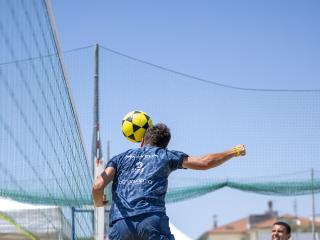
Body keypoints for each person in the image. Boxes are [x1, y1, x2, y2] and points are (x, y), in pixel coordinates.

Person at [92, 123, 246, 240]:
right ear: (165, 145)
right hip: (151, 220)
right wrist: (234, 151)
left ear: (142, 141)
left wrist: (99, 203)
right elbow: (204, 162)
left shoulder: (120, 158)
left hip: (121, 223)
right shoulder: (165, 155)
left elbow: (98, 186)